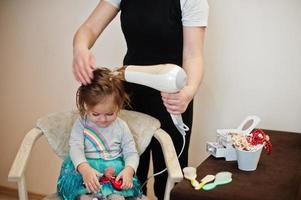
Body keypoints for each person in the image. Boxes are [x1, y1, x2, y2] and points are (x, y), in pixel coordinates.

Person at [72, 0, 209, 199]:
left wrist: (188, 91)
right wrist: (80, 48)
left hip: (173, 94)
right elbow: (89, 28)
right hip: (130, 92)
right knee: (129, 177)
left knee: (169, 181)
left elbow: (193, 55)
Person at [57, 68, 143, 200]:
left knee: (117, 198)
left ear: (118, 107)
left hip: (114, 170)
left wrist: (129, 170)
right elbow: (76, 149)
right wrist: (84, 169)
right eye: (95, 114)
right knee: (85, 196)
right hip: (87, 170)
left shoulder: (121, 127)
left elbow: (131, 152)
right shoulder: (82, 125)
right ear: (86, 106)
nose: (103, 120)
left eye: (110, 114)